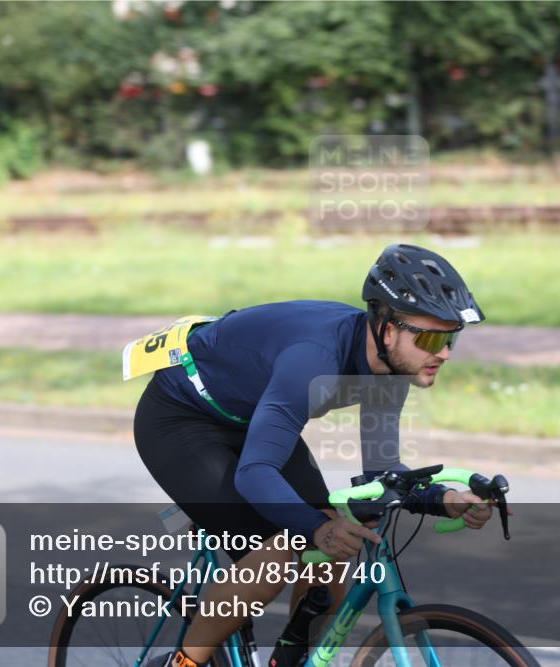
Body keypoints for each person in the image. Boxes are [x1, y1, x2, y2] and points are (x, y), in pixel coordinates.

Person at [132, 243, 494, 667]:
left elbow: (383, 471)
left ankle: (289, 660)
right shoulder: (314, 358)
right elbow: (255, 472)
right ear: (387, 328)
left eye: (450, 337)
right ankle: (186, 663)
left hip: (252, 419)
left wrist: (443, 500)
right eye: (431, 337)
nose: (445, 353)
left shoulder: (393, 367)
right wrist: (316, 528)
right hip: (182, 419)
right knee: (277, 553)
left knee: (331, 551)